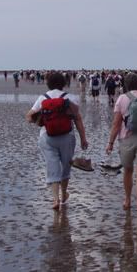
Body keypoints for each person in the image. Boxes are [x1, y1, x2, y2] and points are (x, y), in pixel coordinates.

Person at [26, 71, 88, 211]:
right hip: (67, 136)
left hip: (47, 137)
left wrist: (41, 120)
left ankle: (55, 199)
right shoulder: (70, 98)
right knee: (66, 165)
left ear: (48, 83)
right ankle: (64, 194)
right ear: (64, 83)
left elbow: (29, 117)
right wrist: (83, 138)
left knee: (52, 165)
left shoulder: (43, 98)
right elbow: (77, 119)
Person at [106, 72, 137, 213]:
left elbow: (116, 124)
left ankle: (127, 200)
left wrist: (110, 143)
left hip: (126, 139)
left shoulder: (122, 98)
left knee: (128, 171)